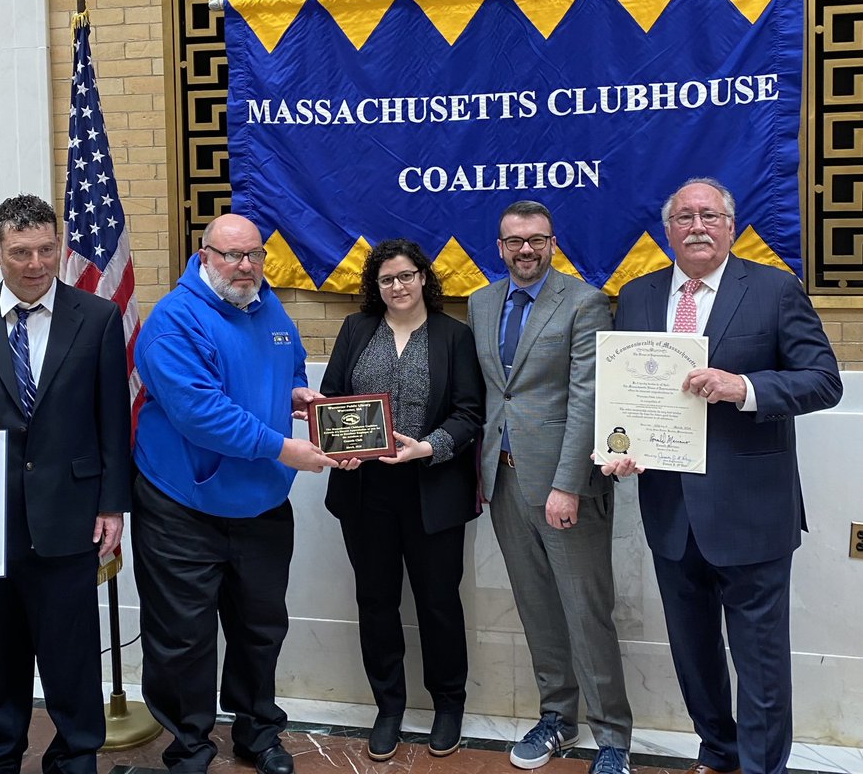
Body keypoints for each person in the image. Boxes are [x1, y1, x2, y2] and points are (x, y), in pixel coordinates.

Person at [608, 178, 842, 774]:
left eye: (709, 215)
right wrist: (619, 446)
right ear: (668, 232)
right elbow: (627, 395)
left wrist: (746, 388)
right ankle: (718, 751)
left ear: (731, 226)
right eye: (683, 217)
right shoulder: (635, 297)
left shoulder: (774, 289)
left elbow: (824, 380)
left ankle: (764, 767)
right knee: (693, 654)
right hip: (669, 508)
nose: (697, 227)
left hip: (752, 511)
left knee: (760, 660)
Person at [0, 194, 132, 774]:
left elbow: (111, 420)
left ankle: (75, 758)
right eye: (21, 252)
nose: (36, 263)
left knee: (71, 658)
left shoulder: (94, 317)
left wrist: (113, 504)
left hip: (71, 516)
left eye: (47, 249)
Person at [132, 213, 335, 774]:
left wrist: (300, 398)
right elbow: (201, 414)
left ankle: (257, 732)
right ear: (204, 257)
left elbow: (289, 365)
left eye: (254, 255)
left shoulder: (267, 305)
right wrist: (283, 448)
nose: (245, 267)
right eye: (231, 255)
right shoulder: (174, 320)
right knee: (182, 638)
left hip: (262, 504)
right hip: (182, 506)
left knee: (260, 626)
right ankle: (190, 747)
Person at [466, 202, 632, 774]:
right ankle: (556, 717)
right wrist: (481, 473)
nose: (525, 250)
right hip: (504, 481)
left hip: (565, 486)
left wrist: (569, 486)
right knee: (537, 609)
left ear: (553, 243)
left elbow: (588, 397)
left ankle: (613, 738)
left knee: (586, 612)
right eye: (514, 241)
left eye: (536, 239)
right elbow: (495, 396)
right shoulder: (481, 301)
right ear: (500, 246)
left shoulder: (584, 302)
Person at [321, 239, 483, 762]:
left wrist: (428, 448)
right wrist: (336, 448)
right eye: (387, 279)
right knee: (376, 602)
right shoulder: (355, 330)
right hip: (365, 492)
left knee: (438, 603)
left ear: (423, 278)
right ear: (376, 286)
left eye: (407, 276)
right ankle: (388, 707)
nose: (398, 286)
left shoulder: (454, 335)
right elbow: (333, 399)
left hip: (432, 490)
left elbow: (469, 414)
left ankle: (448, 704)